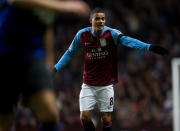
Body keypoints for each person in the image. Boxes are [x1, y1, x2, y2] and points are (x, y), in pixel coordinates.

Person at [53, 7, 169, 131]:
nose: (101, 21)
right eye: (97, 19)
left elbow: (128, 41)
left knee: (106, 118)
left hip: (106, 85)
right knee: (84, 118)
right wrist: (55, 68)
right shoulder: (82, 35)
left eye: (103, 19)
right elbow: (70, 53)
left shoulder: (112, 34)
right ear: (90, 20)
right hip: (88, 84)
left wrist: (149, 47)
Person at [0, 0, 90, 131]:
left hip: (33, 56)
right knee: (5, 121)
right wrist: (64, 7)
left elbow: (47, 27)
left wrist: (48, 68)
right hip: (6, 54)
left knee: (50, 113)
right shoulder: (59, 4)